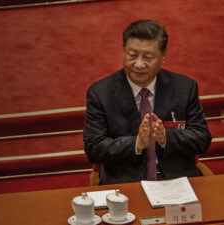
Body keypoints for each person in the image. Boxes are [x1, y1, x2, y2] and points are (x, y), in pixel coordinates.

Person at [83, 19, 212, 184]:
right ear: (123, 52)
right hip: (126, 183)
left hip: (177, 181)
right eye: (132, 55)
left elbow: (202, 139)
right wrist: (136, 143)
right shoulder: (100, 93)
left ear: (163, 56)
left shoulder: (184, 88)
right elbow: (94, 148)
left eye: (148, 57)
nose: (138, 64)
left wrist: (166, 137)